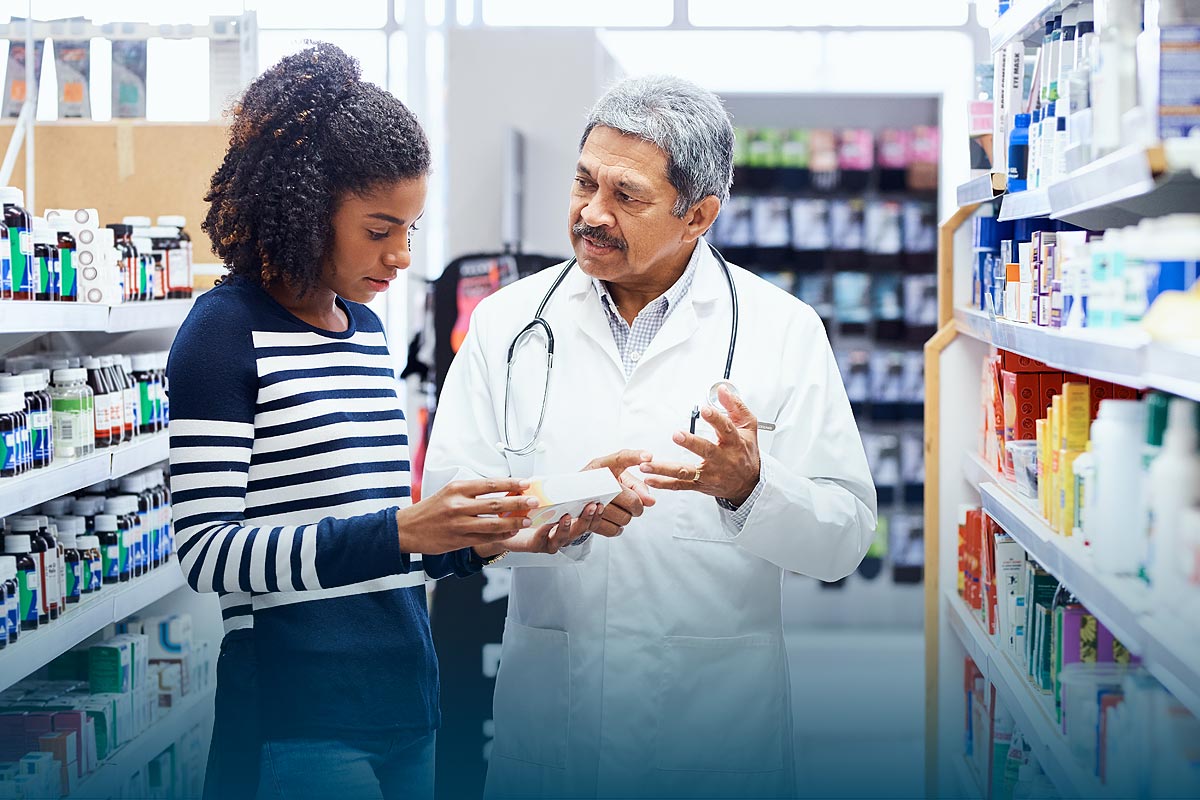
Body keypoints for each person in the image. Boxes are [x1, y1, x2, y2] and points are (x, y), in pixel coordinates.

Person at [423, 75, 878, 799]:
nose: (591, 213)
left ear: (697, 215)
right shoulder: (507, 325)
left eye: (625, 196)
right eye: (583, 182)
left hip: (716, 733)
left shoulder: (781, 330)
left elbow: (844, 538)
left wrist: (750, 489)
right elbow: (444, 513)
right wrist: (561, 508)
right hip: (554, 723)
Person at [169, 43, 594, 800]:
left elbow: (373, 541)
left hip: (406, 698)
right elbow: (207, 554)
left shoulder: (365, 331)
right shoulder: (223, 332)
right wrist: (403, 529)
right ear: (305, 208)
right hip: (298, 715)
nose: (400, 255)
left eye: (411, 229)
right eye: (378, 229)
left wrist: (485, 540)